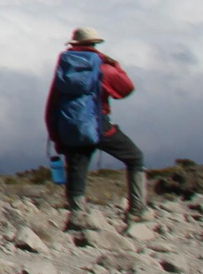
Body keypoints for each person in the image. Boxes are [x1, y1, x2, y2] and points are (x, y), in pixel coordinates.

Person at [46, 28, 148, 225]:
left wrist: (56, 135)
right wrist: (116, 66)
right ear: (94, 44)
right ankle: (137, 210)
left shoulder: (64, 70)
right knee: (135, 158)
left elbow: (53, 103)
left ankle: (77, 215)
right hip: (100, 126)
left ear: (74, 44)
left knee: (76, 168)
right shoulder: (103, 68)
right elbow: (126, 89)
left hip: (70, 127)